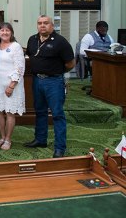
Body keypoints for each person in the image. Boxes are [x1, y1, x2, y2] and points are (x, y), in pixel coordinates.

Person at [25, 15, 75, 158]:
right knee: (40, 111)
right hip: (36, 81)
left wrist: (57, 72)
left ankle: (60, 147)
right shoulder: (32, 39)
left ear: (51, 26)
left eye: (46, 23)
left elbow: (70, 63)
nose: (42, 25)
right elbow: (31, 56)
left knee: (57, 114)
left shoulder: (60, 42)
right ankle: (40, 139)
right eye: (40, 23)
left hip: (54, 82)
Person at [0, 22, 25, 151]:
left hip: (11, 85)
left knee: (10, 112)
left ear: (11, 32)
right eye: (2, 30)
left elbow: (20, 68)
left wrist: (12, 85)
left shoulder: (16, 47)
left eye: (7, 30)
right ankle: (2, 137)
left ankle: (8, 139)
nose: (4, 33)